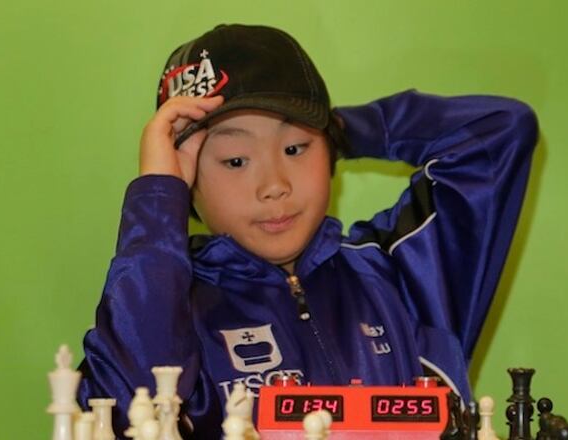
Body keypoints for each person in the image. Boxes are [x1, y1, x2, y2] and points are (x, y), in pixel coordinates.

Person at [77, 23, 538, 438]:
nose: (275, 185)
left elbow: (499, 132)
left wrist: (341, 130)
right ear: (189, 180)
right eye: (236, 161)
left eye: (296, 147)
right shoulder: (171, 307)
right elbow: (120, 415)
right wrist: (159, 195)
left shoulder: (403, 276)